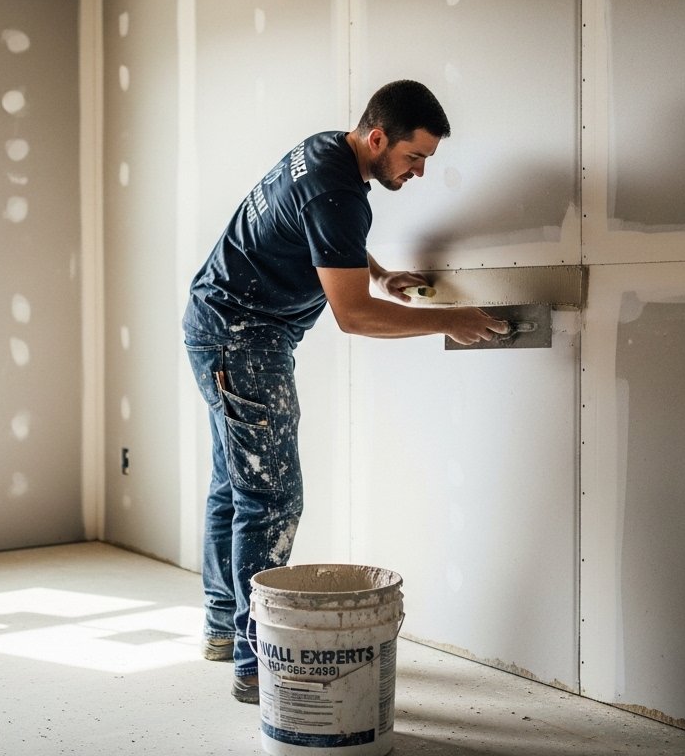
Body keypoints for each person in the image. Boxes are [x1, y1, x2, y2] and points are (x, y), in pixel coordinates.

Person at [182, 79, 507, 704]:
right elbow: (352, 317)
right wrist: (450, 320)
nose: (418, 173)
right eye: (415, 158)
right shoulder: (339, 192)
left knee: (235, 484)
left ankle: (224, 631)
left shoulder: (329, 149)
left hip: (218, 321)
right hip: (242, 335)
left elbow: (321, 240)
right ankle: (257, 662)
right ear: (378, 137)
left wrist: (377, 273)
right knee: (272, 496)